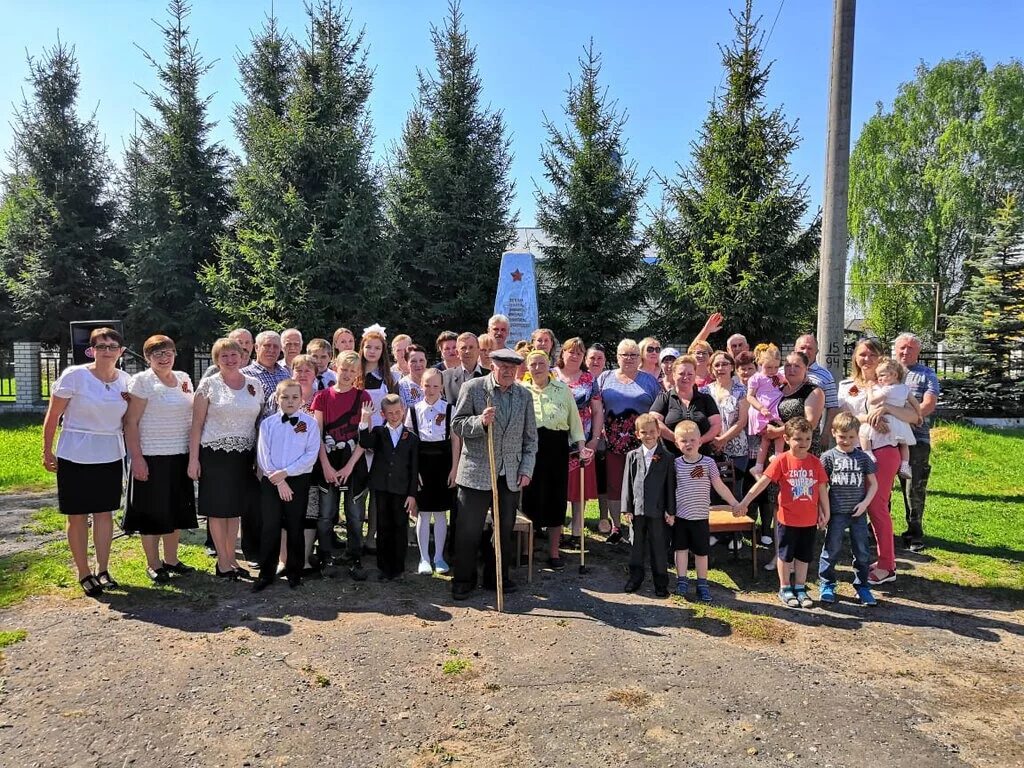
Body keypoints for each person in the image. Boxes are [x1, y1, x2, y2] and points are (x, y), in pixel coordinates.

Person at [42, 327, 131, 596]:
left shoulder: (126, 381)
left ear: (121, 351)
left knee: (104, 514)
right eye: (101, 346)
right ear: (91, 351)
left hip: (110, 454)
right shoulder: (75, 376)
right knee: (78, 515)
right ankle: (84, 572)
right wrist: (47, 450)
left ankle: (102, 568)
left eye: (112, 346)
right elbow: (53, 414)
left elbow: (130, 419)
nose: (106, 351)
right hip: (76, 454)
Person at [450, 347, 537, 600]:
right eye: (503, 366)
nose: (508, 371)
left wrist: (526, 469)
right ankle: (464, 579)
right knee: (469, 530)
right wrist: (480, 422)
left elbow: (530, 438)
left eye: (513, 367)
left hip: (509, 474)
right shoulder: (475, 388)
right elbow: (457, 424)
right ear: (492, 365)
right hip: (477, 470)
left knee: (503, 530)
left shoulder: (524, 395)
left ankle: (497, 576)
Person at [838, 338, 921, 586]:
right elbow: (843, 417)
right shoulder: (847, 385)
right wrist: (868, 418)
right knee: (861, 505)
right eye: (862, 355)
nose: (867, 360)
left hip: (885, 450)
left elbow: (914, 417)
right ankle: (875, 558)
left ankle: (887, 565)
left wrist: (885, 409)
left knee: (876, 505)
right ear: (855, 357)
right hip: (854, 452)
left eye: (873, 355)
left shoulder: (890, 385)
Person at [123, 334, 197, 582]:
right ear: (147, 358)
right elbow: (130, 422)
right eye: (157, 354)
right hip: (152, 456)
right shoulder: (141, 381)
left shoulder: (184, 379)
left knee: (175, 511)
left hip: (180, 454)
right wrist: (137, 458)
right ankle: (153, 564)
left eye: (168, 352)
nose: (164, 358)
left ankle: (172, 560)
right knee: (152, 514)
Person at [188, 337, 263, 581]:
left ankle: (231, 558)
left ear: (243, 357)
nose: (230, 360)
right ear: (216, 360)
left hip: (244, 456)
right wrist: (193, 460)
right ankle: (222, 562)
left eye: (234, 355)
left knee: (235, 510)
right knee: (219, 510)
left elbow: (259, 420)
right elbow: (196, 425)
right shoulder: (208, 385)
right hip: (215, 455)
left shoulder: (254, 384)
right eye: (224, 356)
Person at [738, 417, 829, 609]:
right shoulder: (782, 460)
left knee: (804, 556)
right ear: (787, 439)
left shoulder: (815, 462)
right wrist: (745, 501)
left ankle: (801, 587)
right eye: (798, 439)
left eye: (807, 439)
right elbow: (763, 482)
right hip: (787, 519)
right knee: (785, 555)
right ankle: (785, 587)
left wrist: (825, 512)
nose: (803, 444)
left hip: (809, 520)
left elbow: (821, 489)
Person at [521, 350, 587, 570]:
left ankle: (554, 552)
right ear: (528, 367)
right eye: (533, 364)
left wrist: (581, 448)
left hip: (556, 447)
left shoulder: (562, 389)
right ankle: (526, 550)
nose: (537, 367)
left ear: (548, 365)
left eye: (541, 363)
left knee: (556, 498)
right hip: (529, 447)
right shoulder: (521, 390)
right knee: (529, 497)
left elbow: (575, 422)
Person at [252, 380, 320, 592]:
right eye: (285, 397)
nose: (290, 401)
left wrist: (287, 474)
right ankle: (266, 573)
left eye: (294, 397)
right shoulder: (268, 424)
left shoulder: (310, 424)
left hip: (298, 480)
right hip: (272, 479)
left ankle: (295, 572)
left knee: (295, 526)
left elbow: (311, 455)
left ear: (302, 399)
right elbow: (263, 455)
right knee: (270, 526)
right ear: (277, 399)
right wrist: (279, 479)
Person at [311, 350, 371, 581]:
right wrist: (326, 466)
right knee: (326, 514)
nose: (346, 374)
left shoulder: (362, 396)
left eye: (352, 371)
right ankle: (325, 556)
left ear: (357, 373)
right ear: (336, 367)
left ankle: (354, 556)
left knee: (355, 515)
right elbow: (316, 435)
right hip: (328, 462)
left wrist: (349, 467)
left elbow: (364, 438)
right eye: (343, 369)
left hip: (353, 464)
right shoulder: (322, 397)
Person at [596, 339, 661, 543]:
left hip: (643, 443)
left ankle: (639, 526)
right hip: (613, 441)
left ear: (639, 358)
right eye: (625, 354)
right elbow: (596, 409)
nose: (629, 358)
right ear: (617, 357)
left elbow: (658, 411)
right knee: (614, 484)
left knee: (641, 485)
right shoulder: (605, 378)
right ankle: (616, 527)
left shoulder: (649, 381)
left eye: (633, 355)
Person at [671, 420, 741, 602]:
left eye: (693, 440)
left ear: (700, 441)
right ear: (676, 443)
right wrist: (668, 511)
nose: (688, 444)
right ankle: (682, 581)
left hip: (701, 516)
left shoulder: (708, 463)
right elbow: (669, 490)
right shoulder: (675, 464)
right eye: (683, 440)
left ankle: (702, 584)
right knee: (681, 550)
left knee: (702, 552)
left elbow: (719, 486)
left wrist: (734, 503)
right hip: (681, 516)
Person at [817, 412, 879, 606]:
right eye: (842, 436)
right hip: (836, 513)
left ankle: (862, 586)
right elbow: (821, 486)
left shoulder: (863, 458)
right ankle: (827, 584)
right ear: (834, 433)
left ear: (857, 435)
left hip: (858, 513)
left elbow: (874, 484)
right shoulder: (828, 457)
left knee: (862, 551)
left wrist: (865, 504)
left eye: (851, 437)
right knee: (831, 549)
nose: (846, 441)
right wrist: (823, 511)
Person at [358, 394, 419, 580]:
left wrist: (412, 494)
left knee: (400, 526)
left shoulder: (412, 437)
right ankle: (384, 568)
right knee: (383, 527)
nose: (394, 416)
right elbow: (364, 442)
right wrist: (364, 419)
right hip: (382, 488)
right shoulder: (378, 432)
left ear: (403, 411)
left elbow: (414, 468)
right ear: (383, 414)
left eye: (398, 412)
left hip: (401, 490)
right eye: (390, 413)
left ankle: (398, 568)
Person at [407, 368, 460, 575]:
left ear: (442, 387)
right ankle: (424, 558)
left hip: (444, 464)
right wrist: (414, 472)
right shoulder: (413, 410)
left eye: (435, 386)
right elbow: (410, 444)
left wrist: (455, 468)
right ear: (421, 385)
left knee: (439, 514)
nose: (430, 389)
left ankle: (439, 557)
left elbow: (456, 440)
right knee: (423, 512)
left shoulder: (449, 409)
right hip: (422, 465)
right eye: (427, 385)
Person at [555, 337, 604, 547]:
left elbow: (597, 410)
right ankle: (554, 531)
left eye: (579, 352)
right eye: (571, 351)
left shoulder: (589, 379)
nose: (574, 355)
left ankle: (576, 532)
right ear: (562, 353)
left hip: (580, 442)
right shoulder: (551, 375)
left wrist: (595, 438)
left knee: (578, 490)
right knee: (556, 488)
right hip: (553, 441)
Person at [894, 332, 940, 551]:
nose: (905, 351)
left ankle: (914, 533)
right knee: (880, 486)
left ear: (918, 352)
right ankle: (875, 529)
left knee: (914, 487)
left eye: (910, 348)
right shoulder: (886, 371)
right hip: (885, 439)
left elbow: (929, 403)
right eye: (902, 347)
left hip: (916, 439)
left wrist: (910, 420)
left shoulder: (926, 374)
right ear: (895, 349)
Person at [621, 414, 675, 597]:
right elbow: (627, 483)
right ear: (637, 434)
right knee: (637, 544)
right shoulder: (632, 456)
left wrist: (670, 510)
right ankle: (635, 577)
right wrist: (626, 508)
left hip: (658, 510)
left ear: (659, 432)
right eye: (644, 432)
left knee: (658, 546)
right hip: (637, 509)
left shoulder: (667, 457)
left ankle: (661, 582)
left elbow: (670, 486)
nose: (648, 435)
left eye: (652, 431)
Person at [650, 355, 721, 457]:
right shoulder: (664, 398)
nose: (686, 377)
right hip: (671, 460)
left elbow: (716, 425)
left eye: (690, 374)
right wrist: (677, 439)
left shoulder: (706, 399)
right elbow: (654, 421)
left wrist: (699, 441)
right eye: (681, 373)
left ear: (695, 375)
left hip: (701, 459)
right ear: (673, 375)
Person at [861, 358, 916, 478]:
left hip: (886, 422)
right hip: (899, 423)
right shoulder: (904, 388)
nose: (879, 378)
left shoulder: (887, 389)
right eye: (878, 376)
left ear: (894, 375)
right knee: (904, 444)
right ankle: (905, 465)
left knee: (864, 433)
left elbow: (872, 400)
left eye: (882, 375)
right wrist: (920, 413)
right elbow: (915, 403)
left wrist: (870, 390)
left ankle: (868, 453)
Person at [746, 344, 786, 478]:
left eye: (775, 367)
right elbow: (750, 396)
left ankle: (763, 463)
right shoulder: (756, 378)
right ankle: (762, 464)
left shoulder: (778, 376)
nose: (772, 370)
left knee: (779, 433)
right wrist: (761, 408)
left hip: (774, 407)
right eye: (768, 367)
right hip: (764, 409)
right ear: (759, 363)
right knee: (767, 437)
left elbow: (787, 383)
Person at [795, 334, 840, 441]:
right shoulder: (782, 371)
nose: (805, 351)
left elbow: (832, 406)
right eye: (802, 348)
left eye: (810, 348)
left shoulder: (826, 376)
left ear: (816, 352)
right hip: (782, 435)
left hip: (810, 436)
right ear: (795, 349)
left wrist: (825, 434)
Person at [243, 331, 290, 419]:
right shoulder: (244, 375)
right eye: (267, 345)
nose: (271, 350)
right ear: (256, 347)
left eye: (275, 347)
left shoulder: (286, 374)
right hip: (257, 430)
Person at [442, 332, 487, 405]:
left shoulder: (490, 375)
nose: (467, 351)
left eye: (471, 347)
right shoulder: (445, 377)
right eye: (463, 348)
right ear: (457, 353)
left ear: (479, 351)